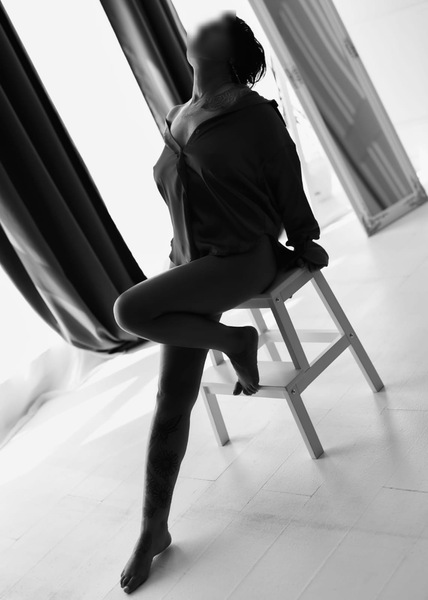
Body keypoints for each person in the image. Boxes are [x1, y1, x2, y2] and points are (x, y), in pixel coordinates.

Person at [113, 11, 329, 594]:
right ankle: (153, 528)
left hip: (242, 257)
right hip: (192, 264)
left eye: (217, 28)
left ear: (232, 53)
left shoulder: (256, 115)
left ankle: (235, 339)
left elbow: (286, 176)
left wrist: (304, 236)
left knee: (129, 311)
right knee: (171, 399)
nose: (201, 27)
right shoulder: (176, 115)